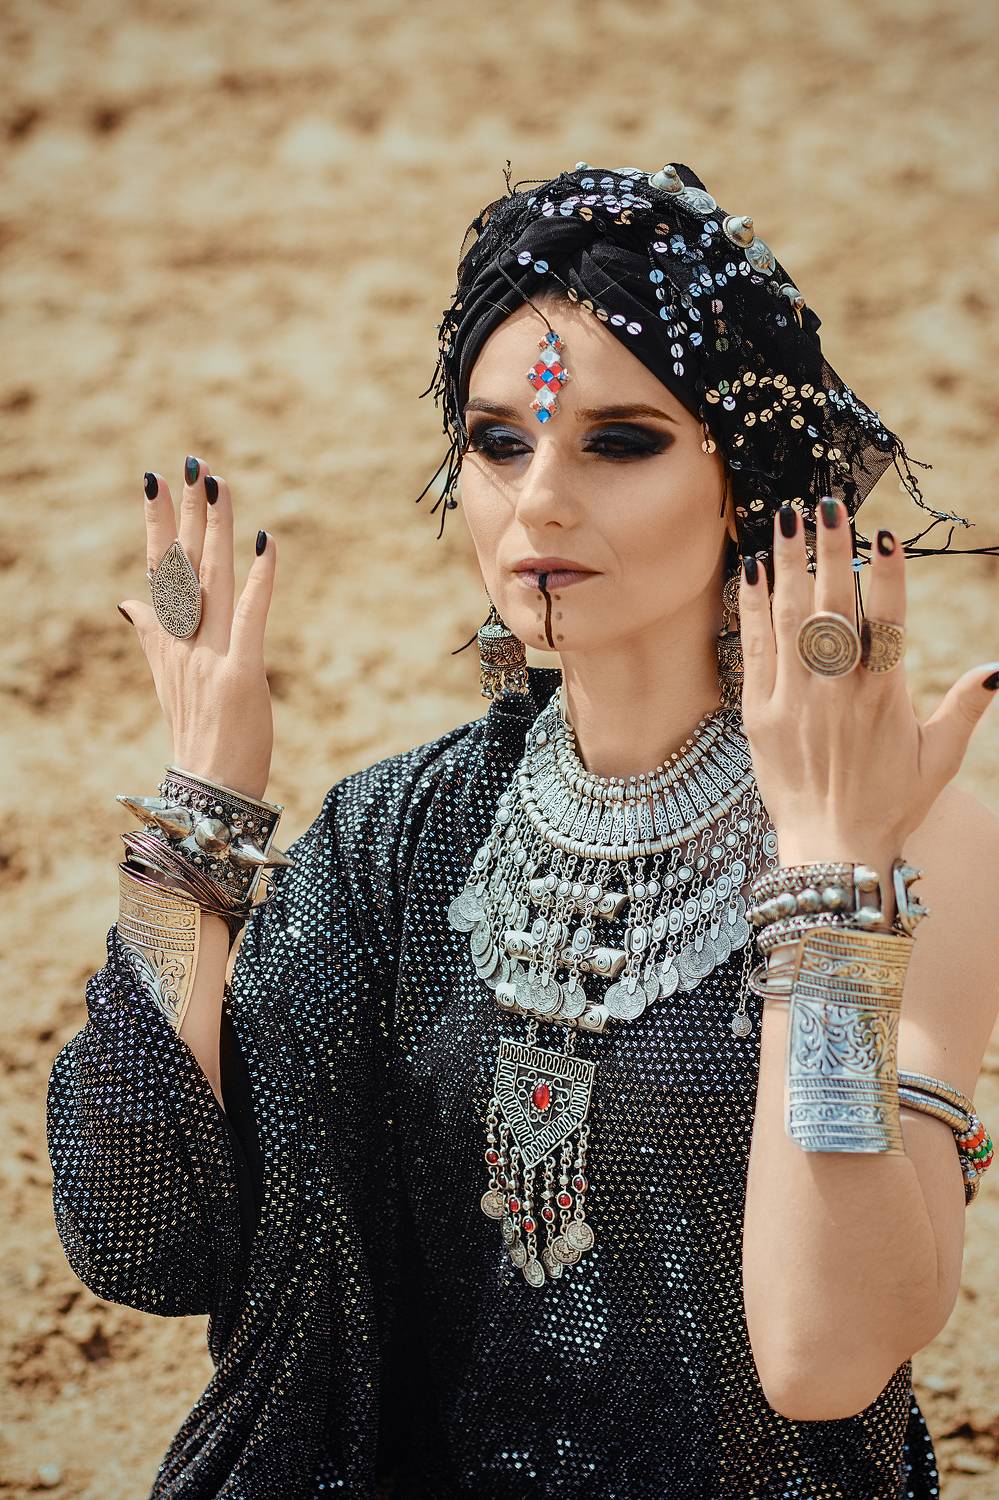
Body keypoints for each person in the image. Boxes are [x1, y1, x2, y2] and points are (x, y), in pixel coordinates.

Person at [46, 161, 999, 1499]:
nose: (538, 496)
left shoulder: (920, 842)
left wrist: (827, 878)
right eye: (499, 443)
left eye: (621, 442)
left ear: (745, 484)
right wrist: (199, 819)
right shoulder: (397, 838)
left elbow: (822, 1358)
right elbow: (141, 1233)